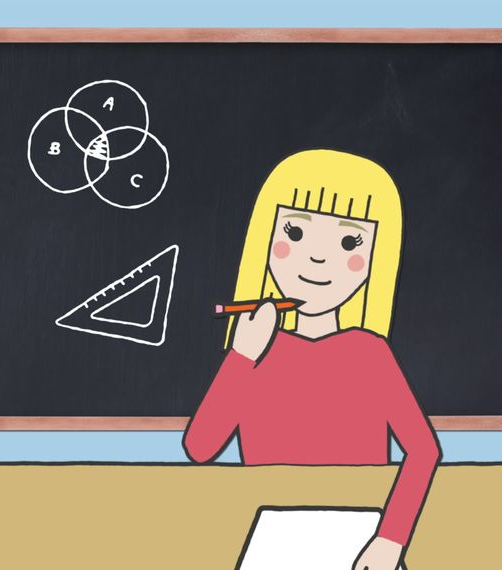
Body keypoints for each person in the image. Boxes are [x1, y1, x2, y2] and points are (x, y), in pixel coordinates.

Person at [183, 149, 441, 570]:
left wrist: (391, 541)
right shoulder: (255, 350)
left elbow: (424, 451)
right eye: (296, 234)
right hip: (273, 534)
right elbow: (200, 448)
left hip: (360, 535)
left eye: (348, 242)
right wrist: (242, 356)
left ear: (374, 262)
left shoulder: (369, 353)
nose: (318, 258)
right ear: (266, 239)